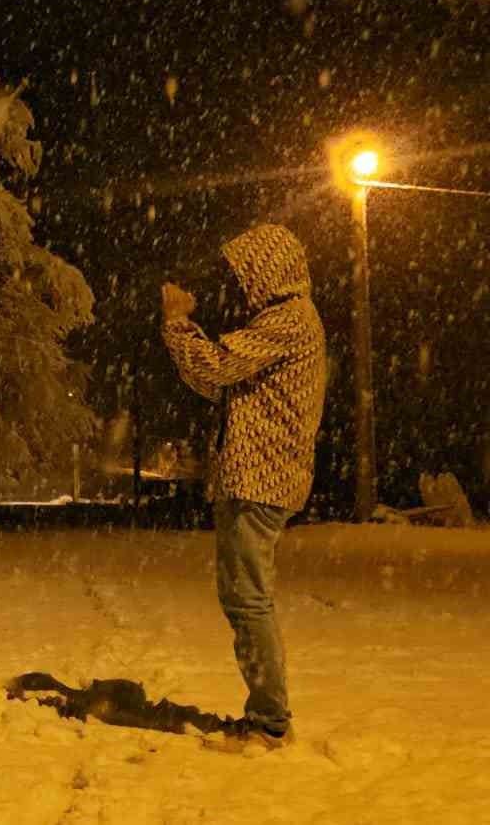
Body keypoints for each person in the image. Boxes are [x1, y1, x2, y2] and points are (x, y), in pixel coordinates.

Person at [160, 223, 327, 750]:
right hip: (251, 477)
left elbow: (216, 363)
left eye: (245, 271)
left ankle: (269, 723)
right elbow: (212, 380)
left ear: (267, 270)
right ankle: (266, 718)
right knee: (243, 598)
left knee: (249, 600)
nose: (240, 282)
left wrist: (177, 324)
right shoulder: (281, 321)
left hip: (261, 479)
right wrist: (183, 336)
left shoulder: (288, 320)